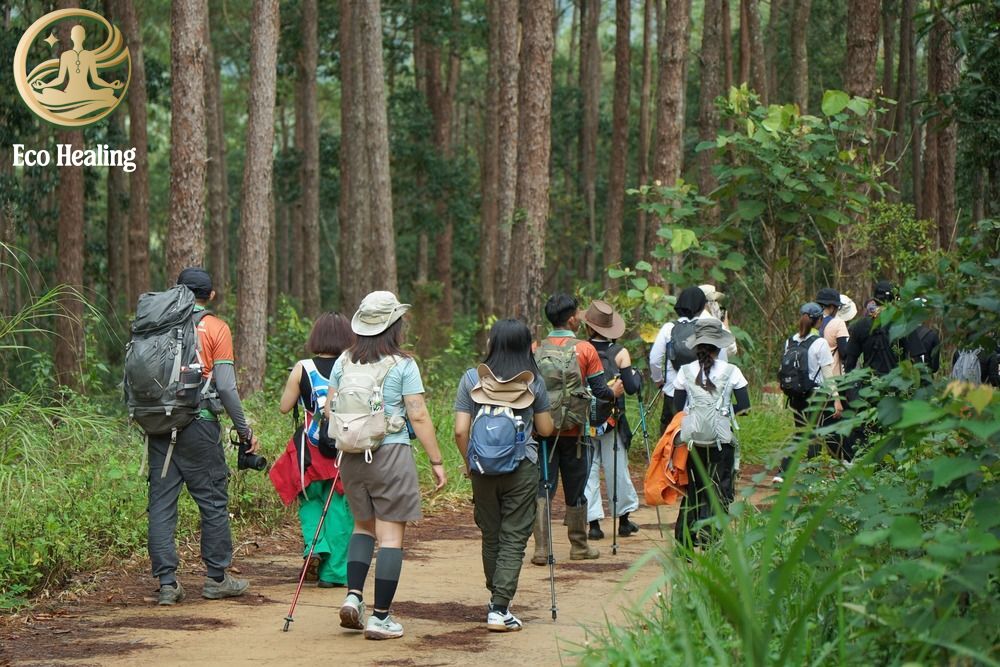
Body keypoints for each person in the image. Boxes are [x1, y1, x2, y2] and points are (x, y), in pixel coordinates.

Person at [326, 291, 447, 641]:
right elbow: (419, 415)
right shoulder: (403, 364)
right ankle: (381, 617)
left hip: (350, 456)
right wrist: (436, 460)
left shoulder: (344, 361)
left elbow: (330, 409)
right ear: (394, 324)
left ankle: (353, 596)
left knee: (362, 528)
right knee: (391, 535)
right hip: (390, 453)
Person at [150, 268, 258, 605]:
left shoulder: (157, 324)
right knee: (212, 501)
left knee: (161, 505)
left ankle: (167, 584)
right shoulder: (215, 327)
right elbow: (225, 386)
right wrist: (244, 430)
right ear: (210, 295)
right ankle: (216, 578)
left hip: (160, 425)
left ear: (177, 292)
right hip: (199, 424)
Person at [454, 319, 554, 632]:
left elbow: (459, 429)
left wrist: (470, 461)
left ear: (493, 343)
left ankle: (496, 597)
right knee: (514, 535)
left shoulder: (472, 378)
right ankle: (499, 607)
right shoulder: (533, 381)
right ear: (527, 346)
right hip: (522, 467)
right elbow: (547, 429)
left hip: (482, 468)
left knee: (491, 532)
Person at [530, 293, 621, 564]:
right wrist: (615, 391)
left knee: (542, 488)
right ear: (571, 319)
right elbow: (600, 391)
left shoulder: (536, 348)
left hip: (543, 431)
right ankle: (579, 546)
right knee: (576, 486)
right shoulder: (586, 350)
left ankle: (541, 550)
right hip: (576, 431)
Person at [271, 313, 356, 588]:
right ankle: (334, 574)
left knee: (309, 500)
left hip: (311, 451)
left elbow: (284, 407)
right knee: (341, 510)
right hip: (345, 448)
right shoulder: (353, 365)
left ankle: (314, 546)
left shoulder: (303, 368)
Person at [672, 318, 750, 546]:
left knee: (693, 490)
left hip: (692, 441)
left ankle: (684, 543)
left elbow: (677, 407)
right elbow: (744, 406)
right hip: (721, 442)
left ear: (697, 346)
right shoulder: (732, 371)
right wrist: (724, 412)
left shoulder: (685, 372)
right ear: (719, 345)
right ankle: (712, 540)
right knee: (720, 489)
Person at [580, 301, 642, 540]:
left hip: (585, 419)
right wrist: (635, 375)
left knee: (590, 468)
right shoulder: (620, 353)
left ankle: (593, 523)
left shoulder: (580, 349)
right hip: (612, 420)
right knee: (616, 466)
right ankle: (623, 520)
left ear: (589, 326)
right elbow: (631, 387)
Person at [774, 303, 847, 484]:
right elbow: (828, 374)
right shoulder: (820, 343)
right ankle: (812, 476)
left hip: (796, 396)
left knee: (802, 433)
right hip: (816, 395)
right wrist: (837, 399)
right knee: (815, 434)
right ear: (819, 321)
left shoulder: (790, 341)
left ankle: (783, 473)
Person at [650, 287, 728, 433]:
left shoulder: (669, 328)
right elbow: (722, 361)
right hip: (704, 392)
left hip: (673, 392)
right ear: (702, 306)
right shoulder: (711, 328)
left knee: (671, 436)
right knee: (701, 436)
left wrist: (659, 381)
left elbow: (654, 359)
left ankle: (672, 457)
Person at [843, 280, 899, 375]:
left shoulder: (860, 325)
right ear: (894, 299)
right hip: (897, 383)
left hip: (870, 384)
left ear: (874, 299)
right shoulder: (902, 324)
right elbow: (916, 357)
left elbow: (849, 361)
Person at [815, 288, 850, 376]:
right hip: (831, 377)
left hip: (812, 377)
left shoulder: (811, 321)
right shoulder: (838, 323)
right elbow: (844, 353)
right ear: (831, 307)